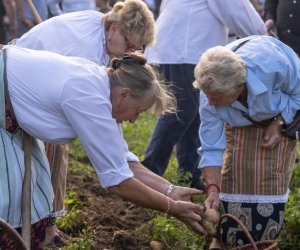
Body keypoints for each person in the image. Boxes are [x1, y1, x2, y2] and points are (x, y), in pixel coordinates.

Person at [0, 46, 206, 249]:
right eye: (138, 111)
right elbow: (117, 182)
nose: (134, 120)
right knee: (9, 198)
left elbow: (123, 160)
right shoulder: (88, 96)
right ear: (124, 95)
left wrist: (170, 190)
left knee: (33, 195)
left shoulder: (100, 88)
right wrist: (173, 208)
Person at [14, 0, 156, 246]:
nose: (128, 53)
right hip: (22, 89)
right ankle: (43, 225)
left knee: (55, 153)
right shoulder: (85, 48)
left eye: (136, 48)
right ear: (114, 28)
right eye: (128, 44)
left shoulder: (101, 29)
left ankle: (47, 222)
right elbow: (98, 111)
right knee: (48, 155)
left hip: (38, 87)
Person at [143, 0, 267, 190]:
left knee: (193, 114)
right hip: (185, 47)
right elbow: (237, 11)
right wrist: (264, 38)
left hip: (183, 45)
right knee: (181, 112)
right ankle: (149, 173)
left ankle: (189, 173)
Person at [193, 35, 300, 249]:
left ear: (239, 87)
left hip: (279, 111)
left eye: (216, 97)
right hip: (239, 122)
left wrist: (279, 123)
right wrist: (213, 189)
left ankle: (262, 242)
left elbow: (298, 93)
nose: (210, 102)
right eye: (208, 95)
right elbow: (212, 146)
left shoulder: (274, 66)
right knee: (233, 177)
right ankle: (223, 240)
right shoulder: (210, 91)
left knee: (269, 182)